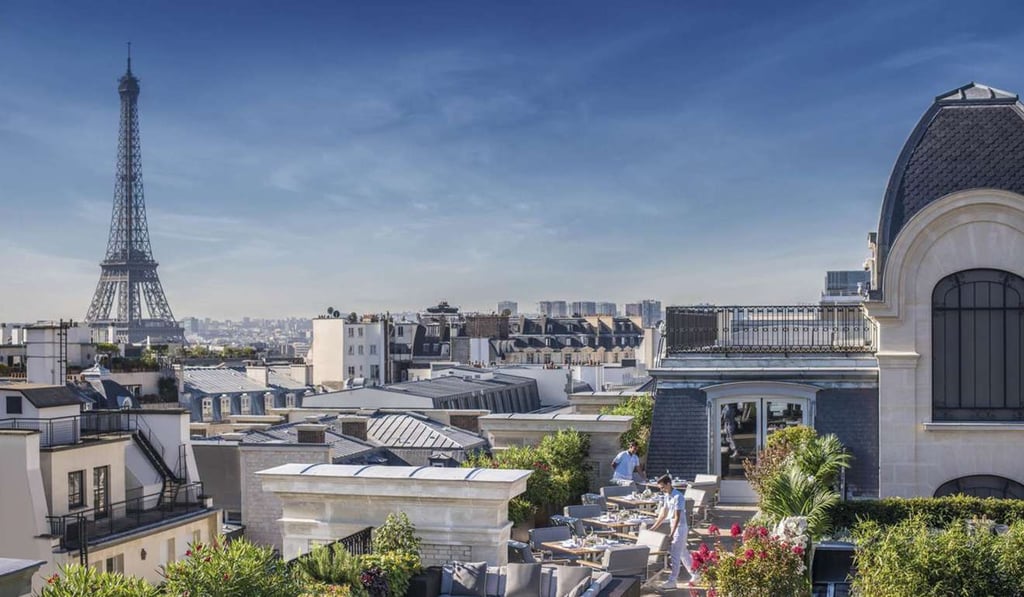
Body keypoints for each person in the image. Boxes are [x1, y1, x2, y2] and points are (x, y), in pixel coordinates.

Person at [651, 473, 699, 589]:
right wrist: (653, 528)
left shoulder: (678, 497)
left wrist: (672, 534)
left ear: (668, 484)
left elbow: (677, 517)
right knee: (682, 553)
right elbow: (663, 514)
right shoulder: (667, 496)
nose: (661, 490)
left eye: (662, 487)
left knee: (675, 555)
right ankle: (695, 574)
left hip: (680, 528)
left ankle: (672, 580)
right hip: (674, 527)